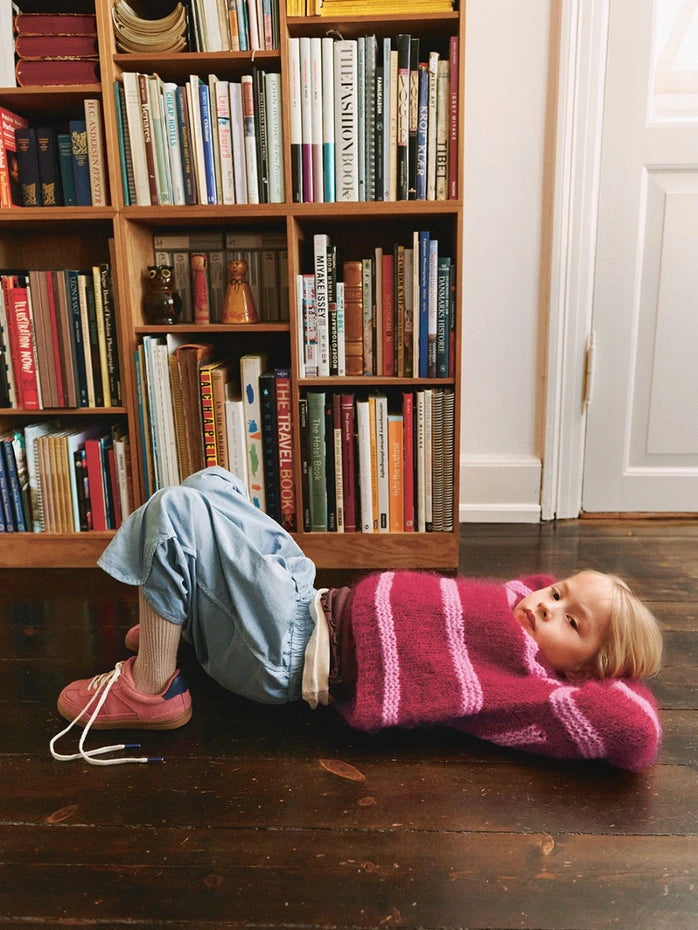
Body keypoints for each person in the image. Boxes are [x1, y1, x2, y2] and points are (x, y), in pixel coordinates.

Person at [50, 467, 664, 771]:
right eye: (557, 592)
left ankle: (152, 686)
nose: (546, 604)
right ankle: (182, 622)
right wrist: (569, 613)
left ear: (584, 672)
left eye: (572, 622)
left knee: (180, 512)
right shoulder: (522, 606)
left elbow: (635, 729)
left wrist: (604, 667)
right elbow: (540, 591)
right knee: (213, 481)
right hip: (309, 597)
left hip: (287, 652)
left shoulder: (529, 686)